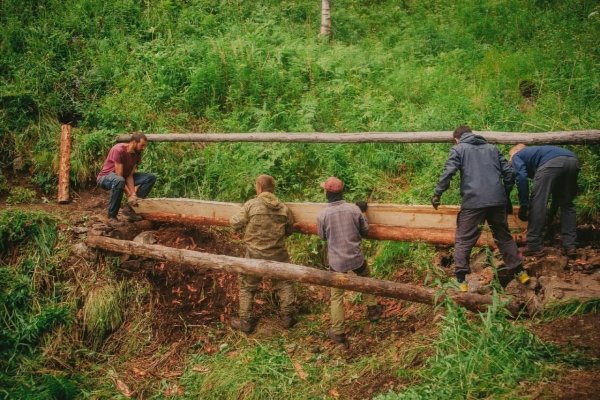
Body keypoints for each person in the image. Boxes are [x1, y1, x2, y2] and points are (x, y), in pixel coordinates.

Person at [431, 125, 527, 292]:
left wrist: (438, 193)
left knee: (464, 238)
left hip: (474, 202)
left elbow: (449, 172)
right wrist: (503, 194)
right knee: (503, 237)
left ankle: (461, 281)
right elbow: (510, 174)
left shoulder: (459, 149)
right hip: (498, 201)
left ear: (456, 139)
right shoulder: (492, 148)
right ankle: (520, 272)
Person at [316, 177, 382, 346]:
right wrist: (364, 213)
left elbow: (323, 237)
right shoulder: (354, 210)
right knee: (366, 280)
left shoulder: (323, 215)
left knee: (337, 295)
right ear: (341, 191)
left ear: (327, 193)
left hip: (337, 263)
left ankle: (338, 332)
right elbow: (365, 231)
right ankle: (373, 309)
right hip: (356, 258)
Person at [229, 175, 296, 334]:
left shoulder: (251, 205)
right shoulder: (283, 208)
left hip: (254, 254)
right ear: (273, 189)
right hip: (278, 253)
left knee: (246, 286)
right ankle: (288, 317)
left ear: (258, 188)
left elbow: (234, 222)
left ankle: (245, 321)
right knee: (284, 282)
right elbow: (290, 230)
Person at [509, 144, 580, 257]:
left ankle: (533, 245)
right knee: (567, 205)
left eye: (509, 157)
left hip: (551, 164)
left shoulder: (517, 155)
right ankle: (570, 245)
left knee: (538, 204)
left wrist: (524, 204)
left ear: (516, 151)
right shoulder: (539, 152)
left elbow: (521, 177)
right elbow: (556, 199)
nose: (510, 161)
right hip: (573, 160)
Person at [97, 133, 156, 225]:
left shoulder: (137, 154)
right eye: (142, 145)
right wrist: (129, 194)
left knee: (150, 178)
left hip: (122, 178)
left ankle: (130, 210)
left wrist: (133, 194)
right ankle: (112, 217)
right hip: (106, 178)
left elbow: (129, 176)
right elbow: (120, 176)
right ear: (133, 142)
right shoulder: (118, 150)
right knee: (119, 181)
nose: (144, 148)